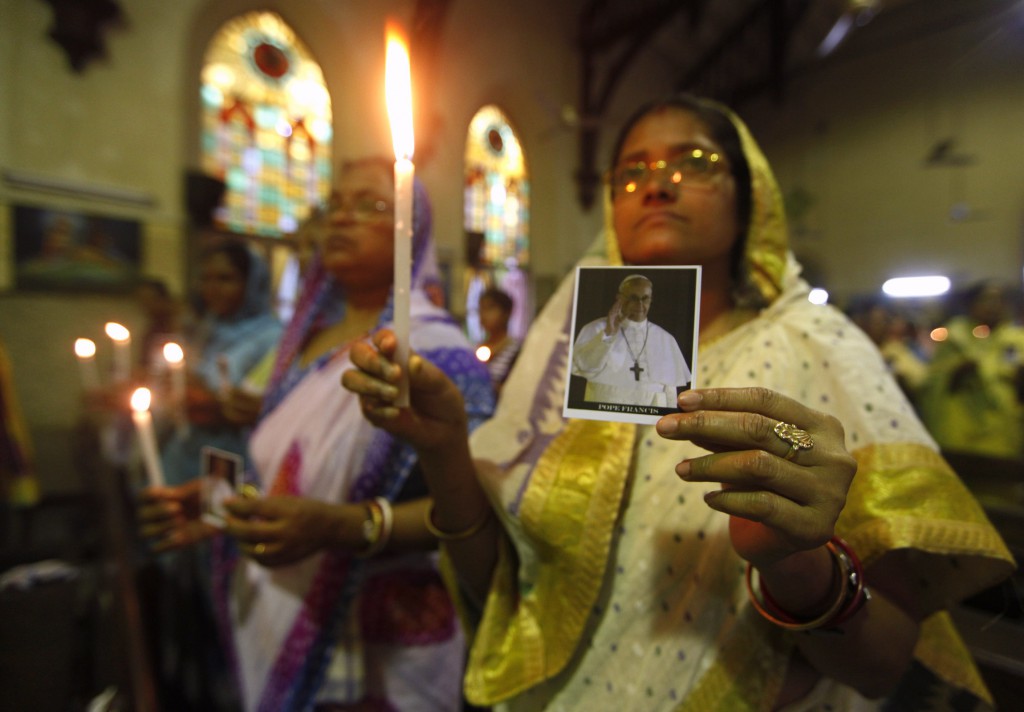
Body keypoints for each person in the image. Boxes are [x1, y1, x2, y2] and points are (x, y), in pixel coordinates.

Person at [343, 94, 1015, 711]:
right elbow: (505, 587)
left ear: (749, 197)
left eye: (694, 163)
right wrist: (445, 450)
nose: (657, 185)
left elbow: (880, 666)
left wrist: (794, 561)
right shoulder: (568, 357)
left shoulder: (816, 348)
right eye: (630, 173)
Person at [141, 157, 495, 712]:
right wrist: (220, 504)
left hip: (383, 636)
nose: (342, 219)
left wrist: (342, 527)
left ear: (415, 230)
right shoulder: (307, 339)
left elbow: (475, 508)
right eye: (335, 205)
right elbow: (287, 468)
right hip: (284, 597)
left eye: (370, 206)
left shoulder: (441, 355)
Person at [158, 240, 283, 486]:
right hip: (185, 451)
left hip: (235, 458)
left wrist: (211, 400)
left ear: (252, 284)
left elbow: (261, 404)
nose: (212, 289)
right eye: (206, 279)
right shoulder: (206, 327)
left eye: (225, 279)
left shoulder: (274, 337)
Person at [918, 281, 1024, 460]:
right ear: (971, 304)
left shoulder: (1016, 339)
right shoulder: (954, 336)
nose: (993, 306)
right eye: (987, 300)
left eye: (998, 300)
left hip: (1004, 433)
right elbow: (932, 381)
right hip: (961, 433)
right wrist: (956, 372)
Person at [571, 273, 691, 406]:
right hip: (608, 412)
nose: (639, 304)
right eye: (633, 298)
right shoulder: (596, 328)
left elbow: (670, 390)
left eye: (645, 298)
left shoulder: (666, 339)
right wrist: (609, 333)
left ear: (651, 300)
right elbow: (585, 365)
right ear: (619, 299)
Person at [475, 287, 521, 392]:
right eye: (481, 309)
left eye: (490, 309)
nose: (483, 315)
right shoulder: (477, 349)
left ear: (506, 314)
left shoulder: (515, 351)